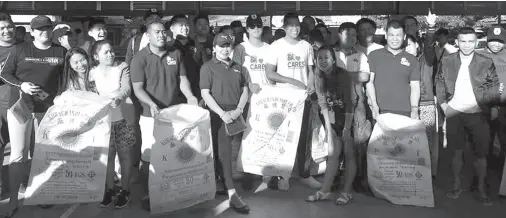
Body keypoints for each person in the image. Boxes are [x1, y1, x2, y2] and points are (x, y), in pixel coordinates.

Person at [0, 15, 67, 217]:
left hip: (47, 110)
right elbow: (5, 74)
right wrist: (22, 85)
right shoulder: (20, 50)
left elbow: (65, 79)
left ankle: (41, 194)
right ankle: (13, 200)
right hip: (20, 108)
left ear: (51, 29)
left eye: (47, 28)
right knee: (19, 154)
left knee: (43, 153)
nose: (43, 32)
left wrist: (62, 96)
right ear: (31, 31)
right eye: (39, 29)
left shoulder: (60, 51)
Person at [130, 16, 197, 211]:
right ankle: (147, 194)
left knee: (172, 154)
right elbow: (138, 88)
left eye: (163, 32)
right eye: (156, 32)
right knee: (149, 156)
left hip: (173, 115)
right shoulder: (139, 58)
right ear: (148, 35)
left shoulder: (175, 53)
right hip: (150, 116)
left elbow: (182, 79)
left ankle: (169, 191)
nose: (161, 35)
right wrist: (151, 104)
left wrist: (191, 96)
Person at [436, 27, 500, 206]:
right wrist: (443, 105)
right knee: (456, 152)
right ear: (456, 42)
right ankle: (456, 185)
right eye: (462, 41)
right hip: (455, 112)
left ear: (476, 42)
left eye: (470, 41)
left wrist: (493, 105)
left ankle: (480, 188)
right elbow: (439, 81)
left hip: (478, 114)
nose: (466, 45)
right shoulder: (447, 60)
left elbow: (494, 84)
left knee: (481, 154)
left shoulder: (485, 61)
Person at [265, 12, 321, 191]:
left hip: (303, 99)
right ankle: (282, 175)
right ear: (284, 27)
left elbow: (311, 70)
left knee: (304, 137)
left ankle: (304, 174)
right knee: (283, 138)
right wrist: (292, 81)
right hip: (284, 100)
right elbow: (269, 73)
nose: (295, 28)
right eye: (290, 25)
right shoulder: (276, 46)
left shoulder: (306, 46)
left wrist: (310, 84)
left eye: (297, 25)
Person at [200, 32, 250, 214]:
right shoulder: (207, 67)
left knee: (228, 153)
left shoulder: (240, 68)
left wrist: (237, 111)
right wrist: (222, 114)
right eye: (221, 45)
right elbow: (205, 93)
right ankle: (231, 193)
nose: (224, 48)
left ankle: (224, 184)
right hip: (217, 115)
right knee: (224, 154)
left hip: (234, 114)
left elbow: (245, 90)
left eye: (228, 45)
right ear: (214, 48)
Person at [306, 45, 356, 205]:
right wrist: (328, 128)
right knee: (333, 154)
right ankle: (324, 190)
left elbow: (350, 103)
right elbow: (322, 102)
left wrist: (347, 128)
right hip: (333, 119)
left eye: (326, 57)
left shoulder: (343, 76)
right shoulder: (318, 75)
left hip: (350, 118)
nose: (322, 61)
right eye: (319, 58)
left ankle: (347, 192)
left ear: (333, 60)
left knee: (349, 155)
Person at [88, 40, 135, 209]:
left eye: (111, 51)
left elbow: (126, 88)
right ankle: (109, 189)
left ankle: (126, 189)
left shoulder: (122, 67)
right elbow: (90, 94)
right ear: (95, 56)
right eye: (106, 52)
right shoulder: (91, 73)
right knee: (107, 157)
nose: (110, 54)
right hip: (103, 122)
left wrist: (119, 98)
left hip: (123, 118)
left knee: (125, 156)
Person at [334, 22, 372, 193]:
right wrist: (352, 76)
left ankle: (358, 178)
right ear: (339, 35)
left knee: (359, 141)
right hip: (335, 104)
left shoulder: (361, 55)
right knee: (336, 142)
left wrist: (341, 75)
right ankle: (335, 176)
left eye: (354, 35)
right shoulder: (331, 54)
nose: (351, 38)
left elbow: (364, 76)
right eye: (347, 34)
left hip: (357, 104)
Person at [366, 20, 421, 119]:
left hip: (406, 111)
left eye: (398, 35)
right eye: (391, 35)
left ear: (404, 37)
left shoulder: (412, 59)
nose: (395, 39)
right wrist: (374, 105)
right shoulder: (374, 55)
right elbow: (369, 82)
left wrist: (414, 109)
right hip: (380, 111)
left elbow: (415, 86)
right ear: (386, 36)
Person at [405, 34, 438, 179]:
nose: (406, 48)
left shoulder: (426, 60)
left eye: (409, 44)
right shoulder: (401, 61)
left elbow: (430, 49)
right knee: (410, 142)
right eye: (403, 45)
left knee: (426, 142)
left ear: (417, 45)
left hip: (425, 105)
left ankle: (427, 175)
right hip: (406, 106)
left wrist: (430, 29)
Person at [170, 14, 206, 101]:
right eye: (181, 25)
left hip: (196, 91)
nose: (185, 28)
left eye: (187, 25)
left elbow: (205, 67)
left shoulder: (197, 45)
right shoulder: (168, 47)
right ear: (172, 28)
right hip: (174, 93)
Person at [0, 12, 15, 198]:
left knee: (24, 148)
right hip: (0, 107)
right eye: (1, 28)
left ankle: (27, 181)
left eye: (8, 27)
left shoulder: (24, 49)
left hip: (22, 105)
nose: (6, 31)